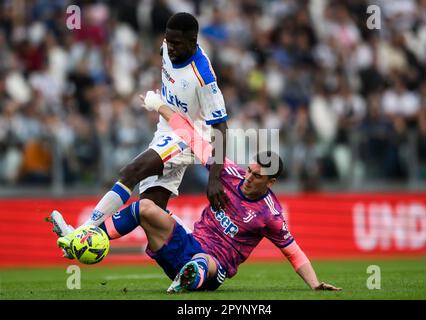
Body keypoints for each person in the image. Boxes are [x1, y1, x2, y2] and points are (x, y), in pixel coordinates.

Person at [56, 91, 342, 293]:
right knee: (143, 207)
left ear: (271, 182)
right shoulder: (228, 173)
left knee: (202, 262)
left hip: (213, 267)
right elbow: (189, 134)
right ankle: (85, 237)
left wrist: (314, 283)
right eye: (250, 170)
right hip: (186, 245)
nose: (249, 177)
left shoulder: (271, 215)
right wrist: (159, 106)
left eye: (257, 176)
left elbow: (294, 253)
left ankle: (188, 279)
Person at [50, 12, 230, 256]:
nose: (171, 47)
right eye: (168, 41)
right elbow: (164, 58)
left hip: (189, 137)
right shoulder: (166, 49)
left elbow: (220, 126)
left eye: (177, 43)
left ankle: (80, 233)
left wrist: (215, 177)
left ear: (193, 41)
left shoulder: (204, 76)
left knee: (130, 172)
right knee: (149, 209)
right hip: (165, 129)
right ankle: (198, 256)